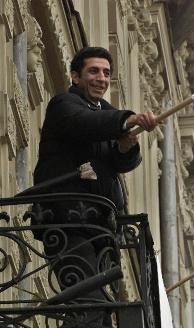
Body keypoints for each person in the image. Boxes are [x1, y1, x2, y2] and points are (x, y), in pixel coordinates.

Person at [33, 47, 157, 327]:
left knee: (99, 313)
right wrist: (128, 119)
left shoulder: (108, 113)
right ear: (75, 76)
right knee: (89, 305)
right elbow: (85, 124)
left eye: (106, 73)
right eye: (94, 71)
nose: (102, 78)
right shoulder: (64, 105)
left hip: (101, 226)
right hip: (67, 222)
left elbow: (117, 161)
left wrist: (126, 148)